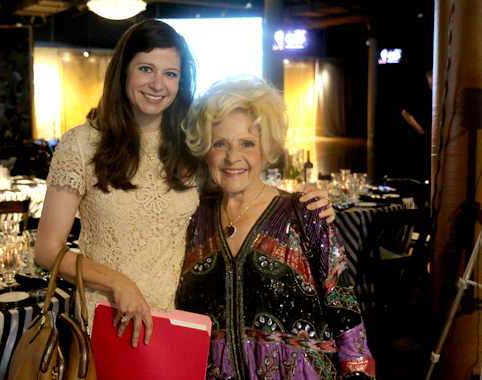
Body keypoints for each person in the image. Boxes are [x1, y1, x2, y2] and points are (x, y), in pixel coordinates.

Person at [35, 19, 334, 349]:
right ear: (123, 72)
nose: (158, 84)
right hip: (109, 318)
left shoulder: (191, 144)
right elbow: (47, 251)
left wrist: (300, 202)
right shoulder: (81, 145)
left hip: (182, 323)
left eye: (170, 74)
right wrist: (119, 283)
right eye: (146, 69)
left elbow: (242, 190)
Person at [176, 76, 375, 379]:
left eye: (247, 143)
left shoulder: (305, 215)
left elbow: (343, 307)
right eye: (220, 144)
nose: (233, 157)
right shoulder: (193, 219)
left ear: (267, 150)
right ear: (205, 150)